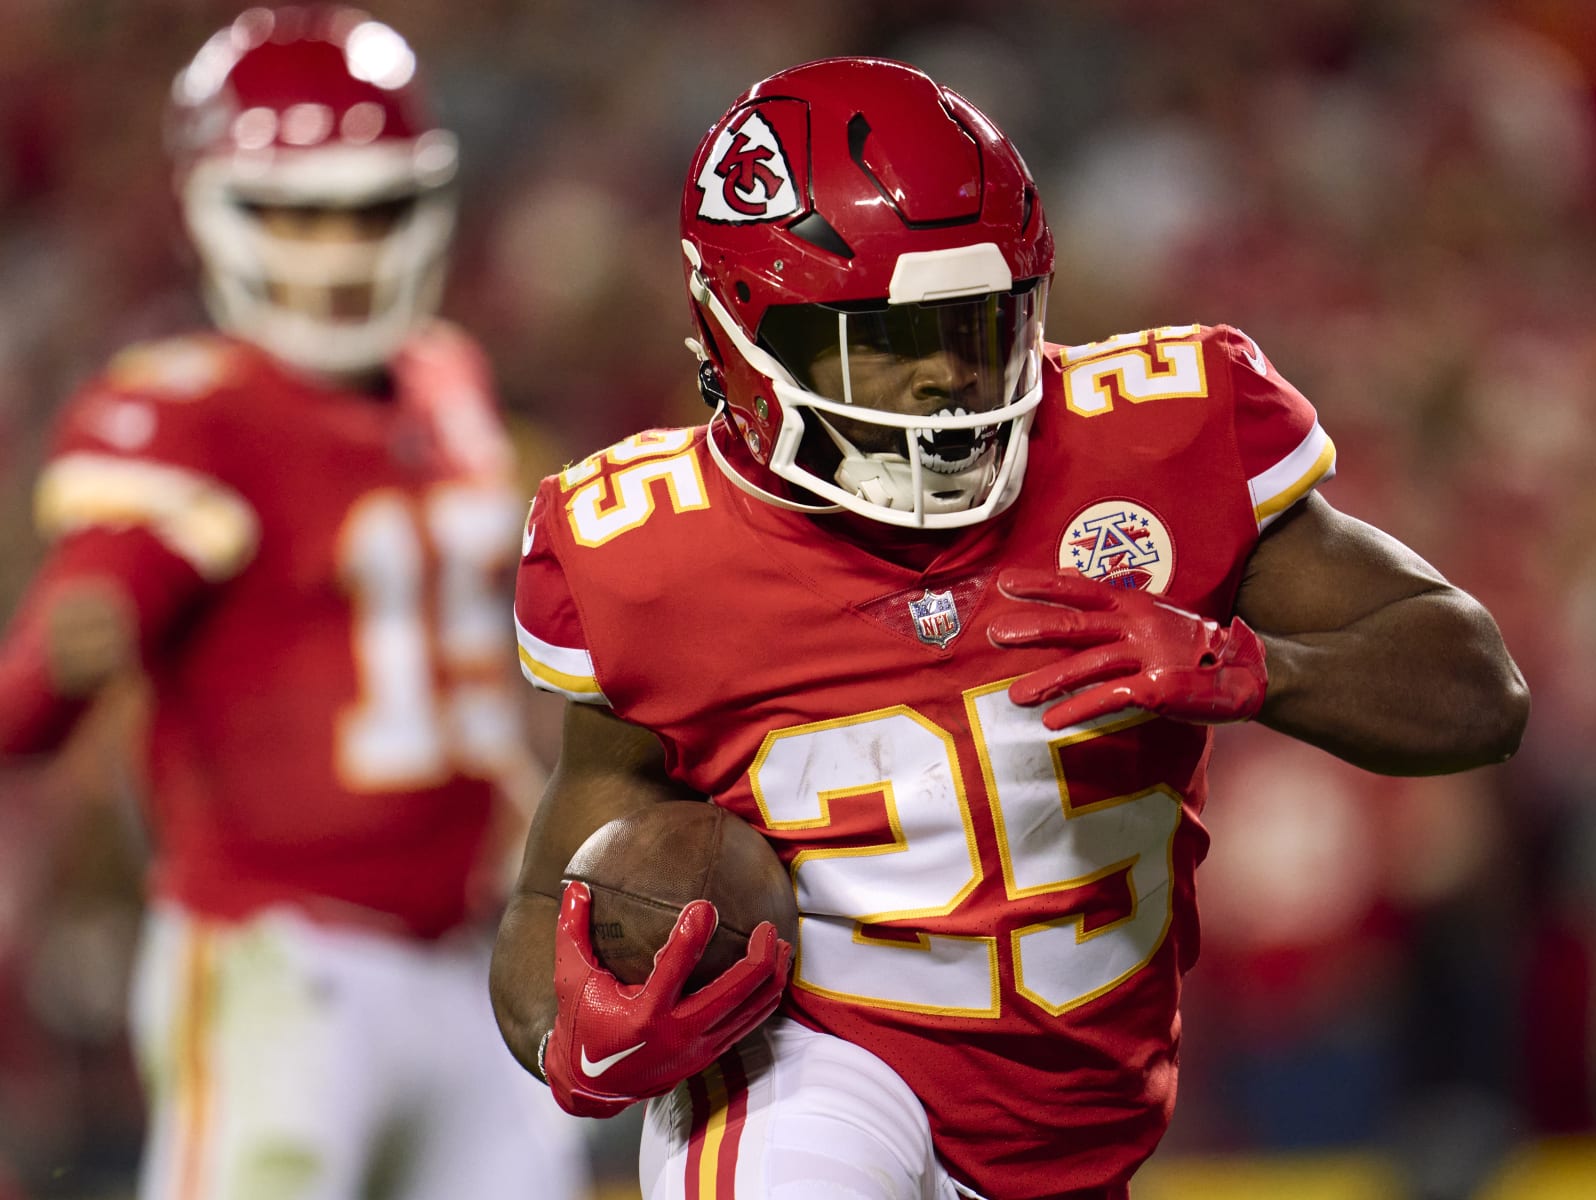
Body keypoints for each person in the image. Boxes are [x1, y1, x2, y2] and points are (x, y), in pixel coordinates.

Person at [492, 55, 1530, 1200]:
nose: (947, 377)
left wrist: (1256, 668)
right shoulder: (649, 551)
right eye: (884, 340)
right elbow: (557, 892)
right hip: (809, 1079)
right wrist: (574, 1039)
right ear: (746, 340)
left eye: (976, 323)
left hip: (1079, 1132)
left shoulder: (1162, 439)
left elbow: (1481, 692)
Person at [0, 8, 585, 1199]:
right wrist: (61, 659)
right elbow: (35, 699)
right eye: (295, 212)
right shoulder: (181, 411)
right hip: (285, 960)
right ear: (215, 208)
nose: (337, 249)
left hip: (478, 961)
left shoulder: (450, 379)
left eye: (368, 208)